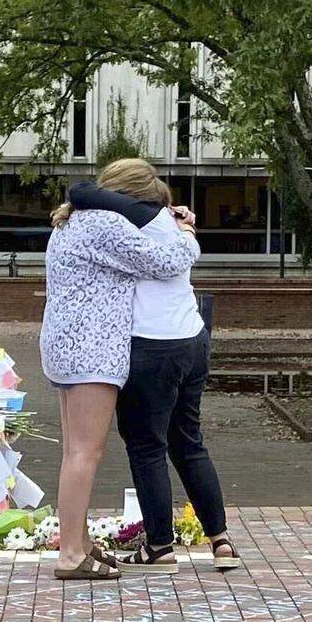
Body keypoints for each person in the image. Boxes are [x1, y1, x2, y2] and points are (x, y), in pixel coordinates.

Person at [68, 171, 240, 574]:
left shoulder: (131, 222)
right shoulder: (169, 223)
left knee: (147, 447)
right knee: (188, 441)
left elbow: (80, 190)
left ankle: (160, 546)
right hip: (191, 337)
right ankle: (221, 540)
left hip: (148, 343)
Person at [41, 158, 200, 581]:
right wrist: (186, 233)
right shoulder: (105, 225)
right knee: (85, 452)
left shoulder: (75, 221)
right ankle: (71, 554)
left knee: (74, 450)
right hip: (91, 348)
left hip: (67, 345)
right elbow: (166, 262)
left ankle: (79, 541)